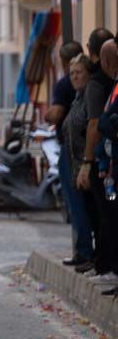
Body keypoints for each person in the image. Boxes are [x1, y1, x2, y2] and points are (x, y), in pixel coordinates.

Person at [77, 29, 117, 285]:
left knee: (108, 215)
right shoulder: (110, 84)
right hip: (108, 164)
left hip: (107, 165)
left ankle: (107, 264)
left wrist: (89, 162)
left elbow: (99, 123)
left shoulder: (99, 84)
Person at [47, 42, 91, 268]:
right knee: (78, 204)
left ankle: (85, 251)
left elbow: (90, 125)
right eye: (72, 73)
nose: (74, 76)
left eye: (78, 73)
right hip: (76, 153)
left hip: (79, 155)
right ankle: (84, 251)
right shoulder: (77, 94)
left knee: (78, 204)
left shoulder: (86, 93)